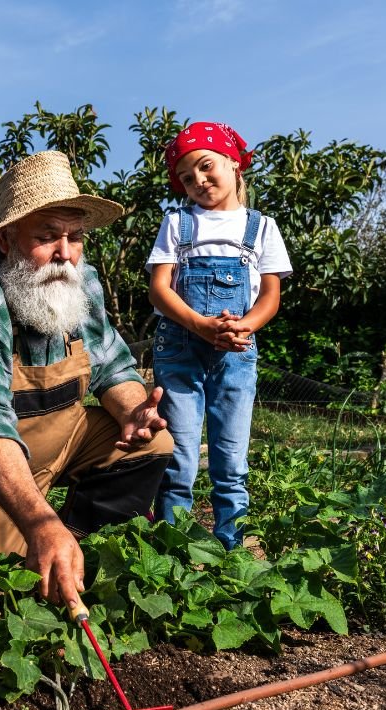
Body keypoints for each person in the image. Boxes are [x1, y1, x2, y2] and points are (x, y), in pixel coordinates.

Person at [0, 150, 174, 610]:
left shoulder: (77, 282)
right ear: (6, 240)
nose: (64, 254)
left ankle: (73, 539)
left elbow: (112, 365)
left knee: (153, 445)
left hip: (50, 458)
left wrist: (132, 410)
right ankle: (39, 533)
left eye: (75, 236)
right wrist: (40, 524)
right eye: (47, 237)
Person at [146, 121, 293, 548]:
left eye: (207, 167)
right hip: (180, 350)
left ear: (233, 164)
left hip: (236, 352)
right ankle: (172, 554)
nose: (199, 181)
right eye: (187, 177)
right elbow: (159, 290)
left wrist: (240, 327)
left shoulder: (261, 228)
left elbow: (269, 296)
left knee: (230, 461)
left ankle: (232, 551)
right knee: (180, 458)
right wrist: (203, 326)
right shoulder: (177, 223)